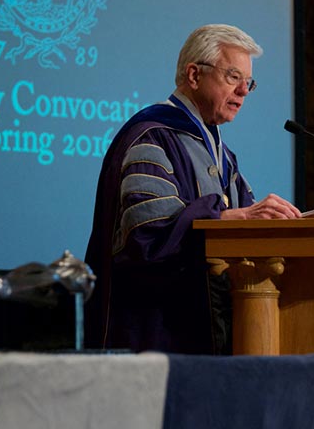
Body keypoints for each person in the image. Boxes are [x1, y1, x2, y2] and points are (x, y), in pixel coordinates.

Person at [85, 24, 301, 355]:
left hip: (211, 340)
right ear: (194, 75)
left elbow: (250, 230)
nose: (243, 91)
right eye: (233, 77)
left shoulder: (224, 157)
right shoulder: (151, 138)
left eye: (249, 82)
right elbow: (147, 238)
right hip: (156, 340)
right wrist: (226, 219)